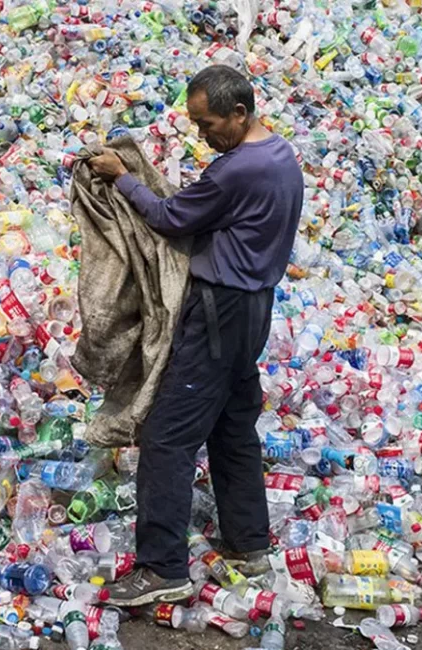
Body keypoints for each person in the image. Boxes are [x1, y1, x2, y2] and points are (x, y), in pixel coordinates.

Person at [87, 65, 305, 606]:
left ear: (239, 113)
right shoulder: (280, 155)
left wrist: (123, 176)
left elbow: (168, 216)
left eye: (209, 124)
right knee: (233, 428)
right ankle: (249, 544)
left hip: (218, 312)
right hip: (254, 309)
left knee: (167, 437)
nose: (202, 134)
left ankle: (162, 569)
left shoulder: (237, 170)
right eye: (195, 123)